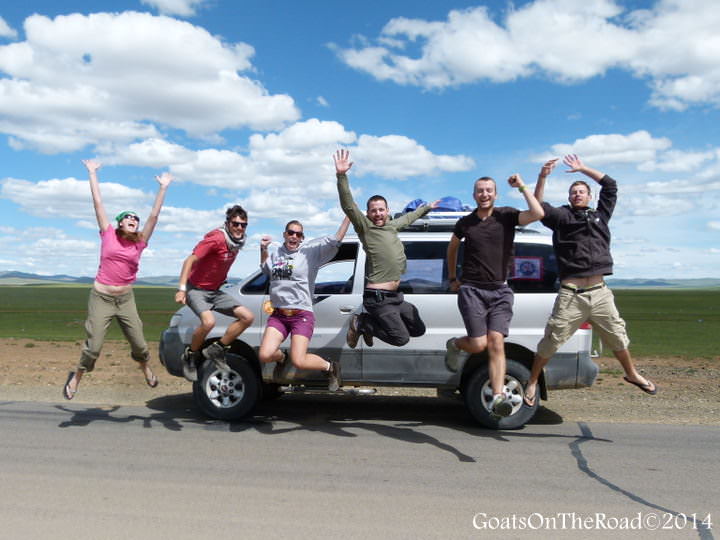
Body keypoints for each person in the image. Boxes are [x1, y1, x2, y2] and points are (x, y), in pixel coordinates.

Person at [523, 155, 656, 406]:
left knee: (618, 337)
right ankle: (532, 380)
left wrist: (583, 169)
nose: (577, 194)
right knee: (551, 341)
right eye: (573, 191)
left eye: (582, 191)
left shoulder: (600, 216)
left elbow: (611, 185)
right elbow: (537, 206)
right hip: (571, 294)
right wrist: (542, 177)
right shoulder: (561, 218)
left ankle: (631, 373)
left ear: (589, 196)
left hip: (600, 292)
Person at [63, 159, 172, 400]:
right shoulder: (108, 234)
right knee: (93, 347)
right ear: (120, 222)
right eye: (129, 217)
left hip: (125, 298)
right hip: (101, 297)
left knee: (140, 344)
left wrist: (163, 187)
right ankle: (77, 376)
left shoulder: (141, 242)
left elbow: (154, 216)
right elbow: (98, 202)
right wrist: (92, 173)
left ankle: (145, 367)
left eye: (136, 218)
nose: (134, 219)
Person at [445, 172, 544, 417]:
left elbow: (538, 213)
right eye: (480, 190)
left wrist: (522, 185)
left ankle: (499, 395)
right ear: (474, 195)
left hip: (500, 290)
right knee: (478, 344)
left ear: (496, 194)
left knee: (497, 341)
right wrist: (452, 278)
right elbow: (452, 248)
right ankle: (456, 344)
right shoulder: (466, 223)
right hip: (472, 290)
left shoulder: (507, 215)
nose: (484, 194)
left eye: (489, 190)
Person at [334, 149, 439, 348]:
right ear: (368, 213)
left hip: (396, 297)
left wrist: (426, 208)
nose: (378, 213)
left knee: (418, 329)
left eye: (381, 209)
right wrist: (341, 175)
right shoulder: (366, 227)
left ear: (388, 211)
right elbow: (348, 204)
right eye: (373, 210)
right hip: (378, 298)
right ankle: (363, 323)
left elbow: (408, 218)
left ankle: (369, 325)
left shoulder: (392, 226)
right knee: (401, 339)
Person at [257, 217, 351, 391]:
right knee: (265, 354)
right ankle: (281, 358)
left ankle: (330, 367)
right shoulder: (277, 253)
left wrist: (349, 215)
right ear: (284, 234)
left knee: (299, 360)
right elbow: (266, 269)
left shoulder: (309, 252)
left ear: (302, 238)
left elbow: (337, 238)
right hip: (278, 315)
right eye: (291, 232)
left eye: (298, 234)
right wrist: (263, 248)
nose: (294, 236)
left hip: (301, 315)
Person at [175, 206, 255, 382]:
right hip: (195, 289)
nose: (240, 228)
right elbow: (189, 260)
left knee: (247, 317)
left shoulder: (237, 242)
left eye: (244, 225)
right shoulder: (216, 239)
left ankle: (216, 349)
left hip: (215, 291)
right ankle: (190, 356)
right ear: (227, 223)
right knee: (209, 322)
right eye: (236, 224)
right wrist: (181, 289)